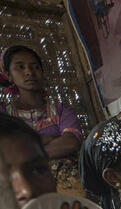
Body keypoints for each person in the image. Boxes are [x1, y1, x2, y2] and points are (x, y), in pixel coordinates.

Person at [0, 45, 83, 195]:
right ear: (9, 75)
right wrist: (49, 140)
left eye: (35, 67)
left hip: (65, 185)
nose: (29, 72)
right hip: (20, 187)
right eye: (20, 67)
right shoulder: (4, 113)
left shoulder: (61, 110)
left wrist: (24, 153)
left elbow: (71, 143)